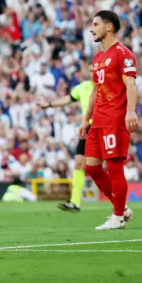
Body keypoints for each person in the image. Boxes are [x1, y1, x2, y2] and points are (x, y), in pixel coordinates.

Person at [79, 10, 138, 230]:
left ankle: (117, 217)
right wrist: (86, 119)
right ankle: (121, 207)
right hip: (98, 120)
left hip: (115, 118)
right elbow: (96, 90)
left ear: (109, 27)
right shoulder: (98, 58)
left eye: (95, 24)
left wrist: (131, 111)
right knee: (92, 167)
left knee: (114, 167)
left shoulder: (123, 54)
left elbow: (130, 84)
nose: (91, 28)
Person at [39, 79, 95, 212]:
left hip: (101, 127)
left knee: (99, 166)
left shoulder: (105, 84)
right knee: (79, 164)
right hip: (87, 127)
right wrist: (49, 104)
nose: (93, 72)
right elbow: (68, 98)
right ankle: (75, 202)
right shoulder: (83, 87)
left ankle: (121, 207)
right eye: (91, 70)